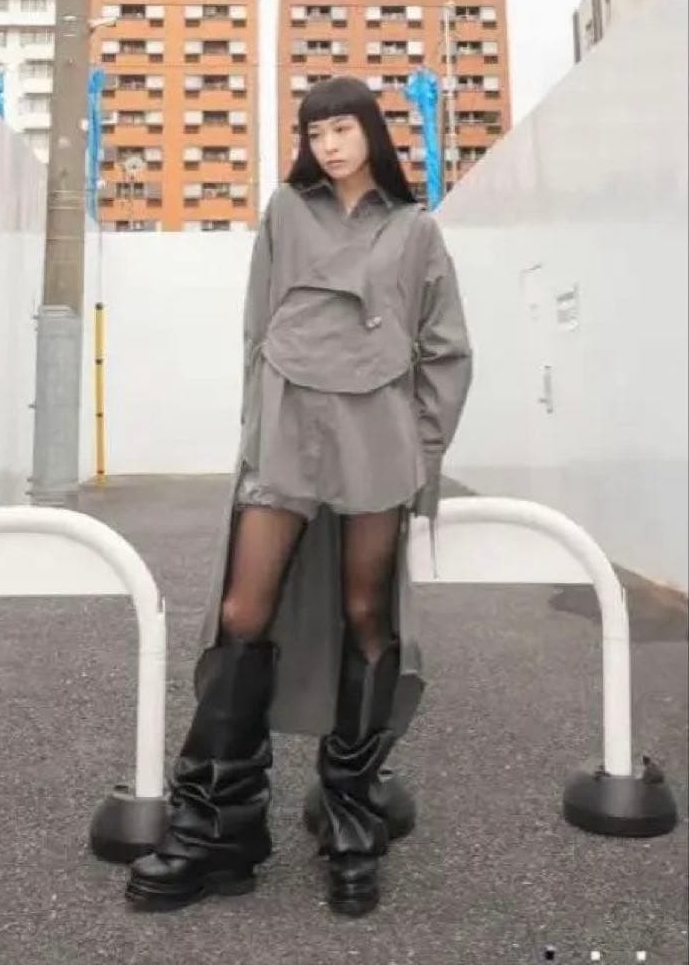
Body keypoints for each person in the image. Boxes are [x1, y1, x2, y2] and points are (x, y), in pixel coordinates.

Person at [125, 75, 473, 917]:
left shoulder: (415, 229)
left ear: (373, 134)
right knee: (242, 613)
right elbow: (258, 329)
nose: (329, 145)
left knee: (366, 615)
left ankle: (351, 824)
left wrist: (418, 456)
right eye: (315, 132)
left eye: (342, 128)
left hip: (377, 438)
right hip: (286, 432)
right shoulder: (285, 211)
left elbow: (445, 351)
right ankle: (218, 828)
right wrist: (256, 434)